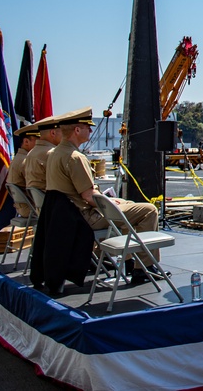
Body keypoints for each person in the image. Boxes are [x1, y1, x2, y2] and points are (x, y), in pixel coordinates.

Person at [46, 107, 160, 284]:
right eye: (87, 127)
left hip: (67, 215)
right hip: (85, 216)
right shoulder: (75, 157)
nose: (91, 130)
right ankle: (143, 267)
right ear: (77, 130)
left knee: (127, 204)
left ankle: (129, 260)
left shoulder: (54, 153)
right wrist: (108, 202)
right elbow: (89, 196)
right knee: (149, 210)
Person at [6, 123, 39, 217]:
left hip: (23, 207)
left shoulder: (20, 158)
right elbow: (38, 186)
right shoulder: (25, 161)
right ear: (26, 142)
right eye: (38, 140)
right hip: (31, 208)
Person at [23, 115, 60, 191]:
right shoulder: (52, 154)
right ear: (53, 133)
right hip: (53, 201)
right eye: (63, 131)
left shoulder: (31, 153)